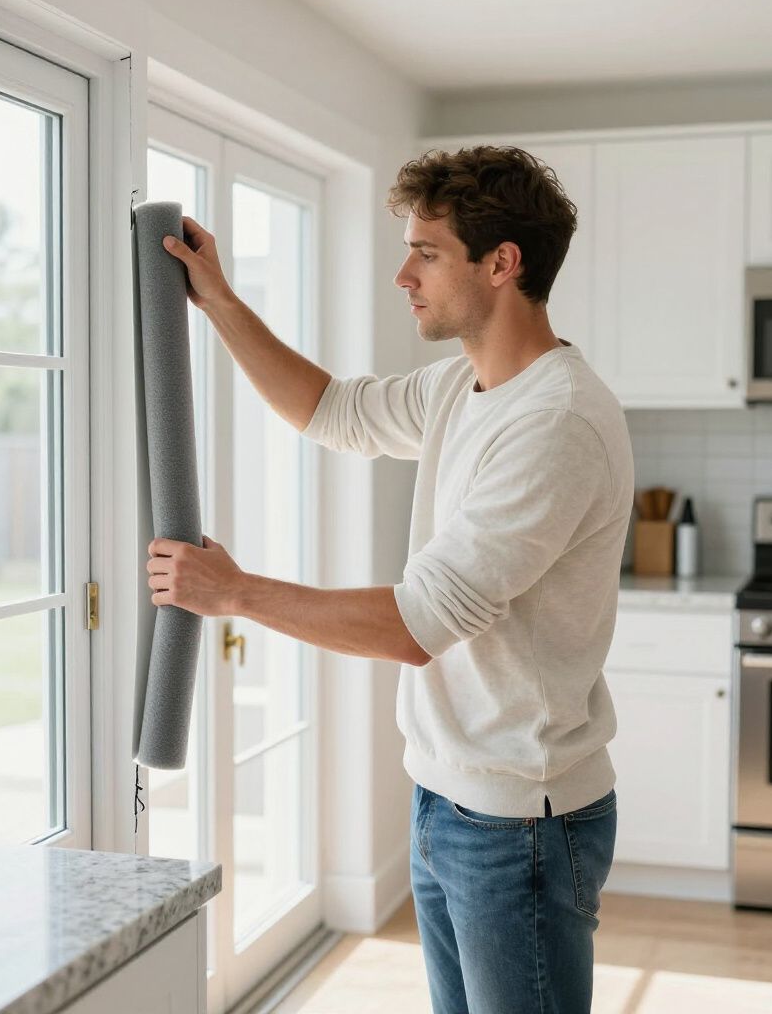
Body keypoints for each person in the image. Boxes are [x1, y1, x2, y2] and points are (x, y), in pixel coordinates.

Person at [146, 144, 635, 1013]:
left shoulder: (557, 422)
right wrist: (217, 300)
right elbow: (328, 410)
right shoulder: (464, 387)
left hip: (522, 818)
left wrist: (234, 593)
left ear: (501, 263)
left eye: (427, 252)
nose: (403, 274)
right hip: (448, 795)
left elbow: (418, 626)